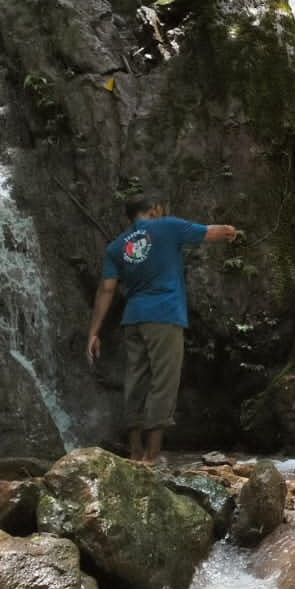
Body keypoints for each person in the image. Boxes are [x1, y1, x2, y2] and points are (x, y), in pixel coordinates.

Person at [86, 198, 239, 463]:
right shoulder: (167, 226)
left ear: (130, 219)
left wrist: (93, 332)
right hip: (165, 315)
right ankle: (152, 455)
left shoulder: (116, 247)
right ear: (154, 211)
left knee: (135, 382)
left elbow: (107, 289)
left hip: (133, 320)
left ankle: (134, 452)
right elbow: (211, 232)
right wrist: (229, 231)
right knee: (163, 382)